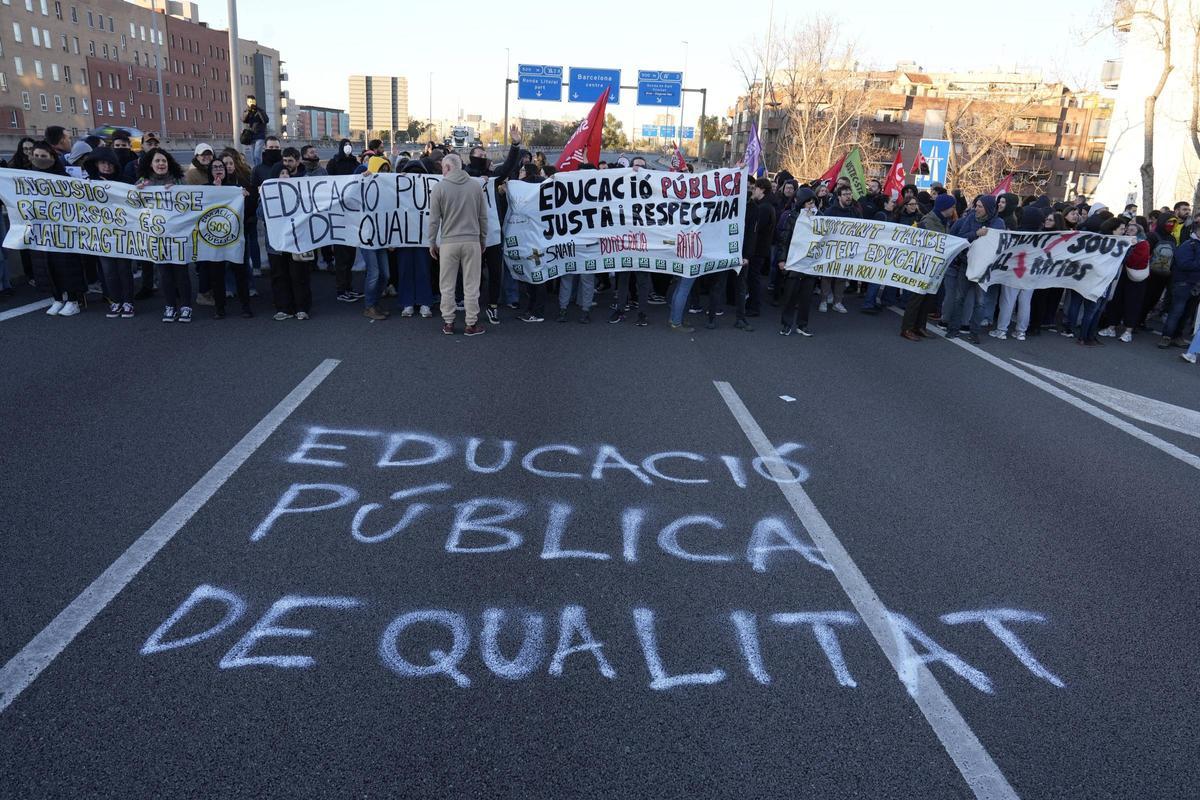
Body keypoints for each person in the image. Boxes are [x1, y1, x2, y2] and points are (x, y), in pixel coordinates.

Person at [466, 125, 523, 325]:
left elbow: (508, 166)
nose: (483, 157)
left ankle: (492, 306)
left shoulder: (492, 176)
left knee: (495, 272)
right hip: (471, 233)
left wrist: (515, 145)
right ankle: (472, 304)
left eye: (485, 155)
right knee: (473, 273)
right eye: (479, 155)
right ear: (471, 157)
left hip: (493, 233)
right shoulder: (464, 176)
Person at [429, 153, 488, 336]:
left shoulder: (439, 187)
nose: (442, 171)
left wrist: (431, 241)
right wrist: (483, 239)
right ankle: (471, 323)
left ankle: (448, 322)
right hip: (471, 241)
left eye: (442, 168)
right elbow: (483, 217)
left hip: (448, 242)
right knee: (471, 284)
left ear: (447, 167)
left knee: (447, 285)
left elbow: (434, 220)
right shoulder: (475, 186)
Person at [26, 141, 86, 316]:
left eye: (43, 156)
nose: (39, 159)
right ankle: (57, 298)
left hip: (63, 230)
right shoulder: (26, 178)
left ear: (52, 157)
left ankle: (73, 300)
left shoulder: (64, 177)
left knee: (66, 264)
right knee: (46, 265)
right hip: (40, 230)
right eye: (36, 156)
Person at [136, 148, 192, 323]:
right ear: (150, 164)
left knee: (181, 272)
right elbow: (134, 207)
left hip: (178, 235)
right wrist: (138, 192)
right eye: (157, 161)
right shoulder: (143, 183)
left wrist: (178, 191)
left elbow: (191, 202)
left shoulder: (179, 180)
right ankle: (170, 306)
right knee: (164, 273)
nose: (161, 164)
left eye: (164, 161)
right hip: (157, 237)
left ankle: (186, 306)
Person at [940, 195, 1004, 343]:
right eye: (977, 206)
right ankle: (953, 329)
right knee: (959, 297)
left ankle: (974, 333)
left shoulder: (998, 223)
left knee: (980, 302)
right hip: (966, 264)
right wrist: (976, 234)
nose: (976, 209)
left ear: (988, 209)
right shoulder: (970, 218)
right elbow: (961, 237)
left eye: (980, 206)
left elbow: (999, 243)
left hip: (984, 268)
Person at [82, 147, 136, 318]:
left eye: (110, 163)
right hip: (102, 235)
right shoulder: (88, 183)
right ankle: (115, 301)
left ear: (115, 165)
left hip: (122, 234)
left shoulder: (125, 181)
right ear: (96, 164)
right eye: (103, 163)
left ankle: (128, 302)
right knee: (108, 271)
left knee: (124, 270)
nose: (106, 166)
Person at [900, 193, 958, 341]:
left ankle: (920, 326)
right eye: (952, 207)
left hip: (934, 266)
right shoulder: (928, 221)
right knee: (916, 298)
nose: (953, 209)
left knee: (928, 298)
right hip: (922, 265)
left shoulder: (943, 220)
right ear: (945, 207)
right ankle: (907, 328)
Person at [266, 150, 314, 321]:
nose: (285, 175)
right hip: (276, 243)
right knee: (279, 275)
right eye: (281, 173)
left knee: (298, 274)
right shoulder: (267, 194)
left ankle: (302, 307)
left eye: (287, 173)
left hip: (297, 240)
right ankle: (284, 308)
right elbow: (260, 214)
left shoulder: (300, 191)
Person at [203, 159, 253, 319]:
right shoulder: (204, 189)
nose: (218, 169)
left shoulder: (235, 189)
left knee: (240, 272)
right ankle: (220, 308)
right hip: (213, 239)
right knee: (216, 274)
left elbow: (249, 210)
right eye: (215, 167)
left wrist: (245, 197)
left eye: (221, 167)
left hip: (234, 237)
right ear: (210, 171)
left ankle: (245, 306)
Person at [990, 206, 1048, 341]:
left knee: (1008, 300)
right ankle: (1021, 331)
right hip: (1031, 272)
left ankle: (1001, 330)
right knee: (1025, 302)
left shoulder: (1017, 234)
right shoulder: (1042, 237)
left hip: (1014, 271)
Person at [775, 187, 819, 336]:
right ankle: (786, 324)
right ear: (801, 203)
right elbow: (784, 240)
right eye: (808, 203)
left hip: (810, 263)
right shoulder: (792, 217)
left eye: (813, 203)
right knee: (790, 296)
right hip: (794, 261)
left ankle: (802, 325)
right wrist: (782, 259)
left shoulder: (820, 218)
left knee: (806, 297)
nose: (811, 206)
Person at [360, 157, 394, 321]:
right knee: (374, 273)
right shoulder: (362, 181)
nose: (384, 174)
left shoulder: (387, 189)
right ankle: (369, 306)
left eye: (387, 171)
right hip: (367, 237)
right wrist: (363, 177)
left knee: (385, 275)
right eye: (381, 170)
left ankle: (374, 302)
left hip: (381, 238)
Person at [1159, 211, 1200, 348]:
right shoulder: (1189, 245)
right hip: (1183, 283)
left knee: (1187, 313)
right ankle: (1166, 336)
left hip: (1196, 285)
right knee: (1176, 311)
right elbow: (1184, 264)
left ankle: (1177, 336)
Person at [817, 184, 859, 313]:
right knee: (827, 276)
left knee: (841, 277)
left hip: (846, 250)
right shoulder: (830, 211)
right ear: (839, 197)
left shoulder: (855, 212)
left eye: (849, 194)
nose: (848, 197)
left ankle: (838, 302)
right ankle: (823, 300)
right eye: (845, 194)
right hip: (831, 249)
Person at [242, 95, 269, 166]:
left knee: (257, 155)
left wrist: (257, 110)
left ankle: (259, 168)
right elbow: (244, 120)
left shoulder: (260, 110)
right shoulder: (247, 111)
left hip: (260, 135)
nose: (251, 103)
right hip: (251, 136)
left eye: (252, 101)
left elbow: (265, 120)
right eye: (249, 101)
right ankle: (256, 169)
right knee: (253, 156)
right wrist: (248, 112)